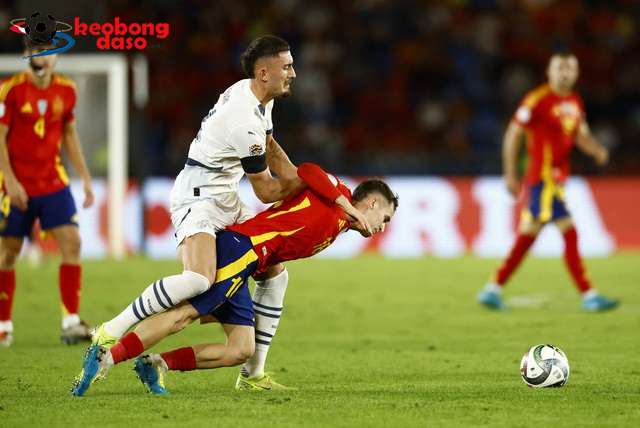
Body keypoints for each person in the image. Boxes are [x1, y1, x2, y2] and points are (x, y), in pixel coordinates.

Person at [90, 35, 372, 388]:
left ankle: (253, 373)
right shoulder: (244, 121)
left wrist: (304, 178)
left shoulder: (255, 97)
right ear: (264, 72)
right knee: (198, 281)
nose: (294, 73)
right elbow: (267, 191)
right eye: (287, 67)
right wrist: (314, 186)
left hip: (224, 196)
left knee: (274, 274)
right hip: (198, 198)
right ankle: (110, 330)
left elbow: (271, 147)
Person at [71, 162, 396, 396]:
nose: (382, 227)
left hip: (248, 265)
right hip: (240, 250)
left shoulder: (339, 227)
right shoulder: (336, 193)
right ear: (370, 203)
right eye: (384, 218)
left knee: (240, 349)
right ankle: (106, 356)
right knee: (181, 315)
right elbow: (308, 170)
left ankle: (156, 364)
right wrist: (346, 206)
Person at [478, 51, 619, 312]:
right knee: (569, 231)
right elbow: (513, 133)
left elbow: (580, 135)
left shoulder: (575, 101)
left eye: (570, 69)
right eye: (560, 68)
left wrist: (597, 150)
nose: (565, 73)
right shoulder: (537, 100)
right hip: (542, 179)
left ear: (576, 73)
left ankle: (492, 288)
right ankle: (589, 295)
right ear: (549, 72)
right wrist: (510, 173)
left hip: (556, 179)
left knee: (528, 236)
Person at [0, 41, 95, 346]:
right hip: (17, 185)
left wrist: (85, 177)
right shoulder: (10, 90)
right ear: (27, 55)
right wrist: (11, 182)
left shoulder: (67, 90)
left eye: (47, 51)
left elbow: (69, 134)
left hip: (53, 182)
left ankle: (70, 321)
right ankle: (3, 324)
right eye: (35, 51)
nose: (41, 57)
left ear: (55, 57)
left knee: (73, 241)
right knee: (9, 252)